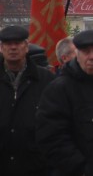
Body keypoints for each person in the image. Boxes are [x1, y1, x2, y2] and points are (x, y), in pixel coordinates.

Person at [36, 29, 93, 176]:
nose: (92, 57)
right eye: (86, 52)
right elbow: (51, 137)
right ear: (77, 56)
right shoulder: (59, 90)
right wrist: (81, 169)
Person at [0, 24, 55, 176]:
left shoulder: (46, 80)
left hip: (36, 166)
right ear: (1, 48)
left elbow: (56, 121)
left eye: (17, 43)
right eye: (8, 44)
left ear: (26, 47)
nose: (13, 48)